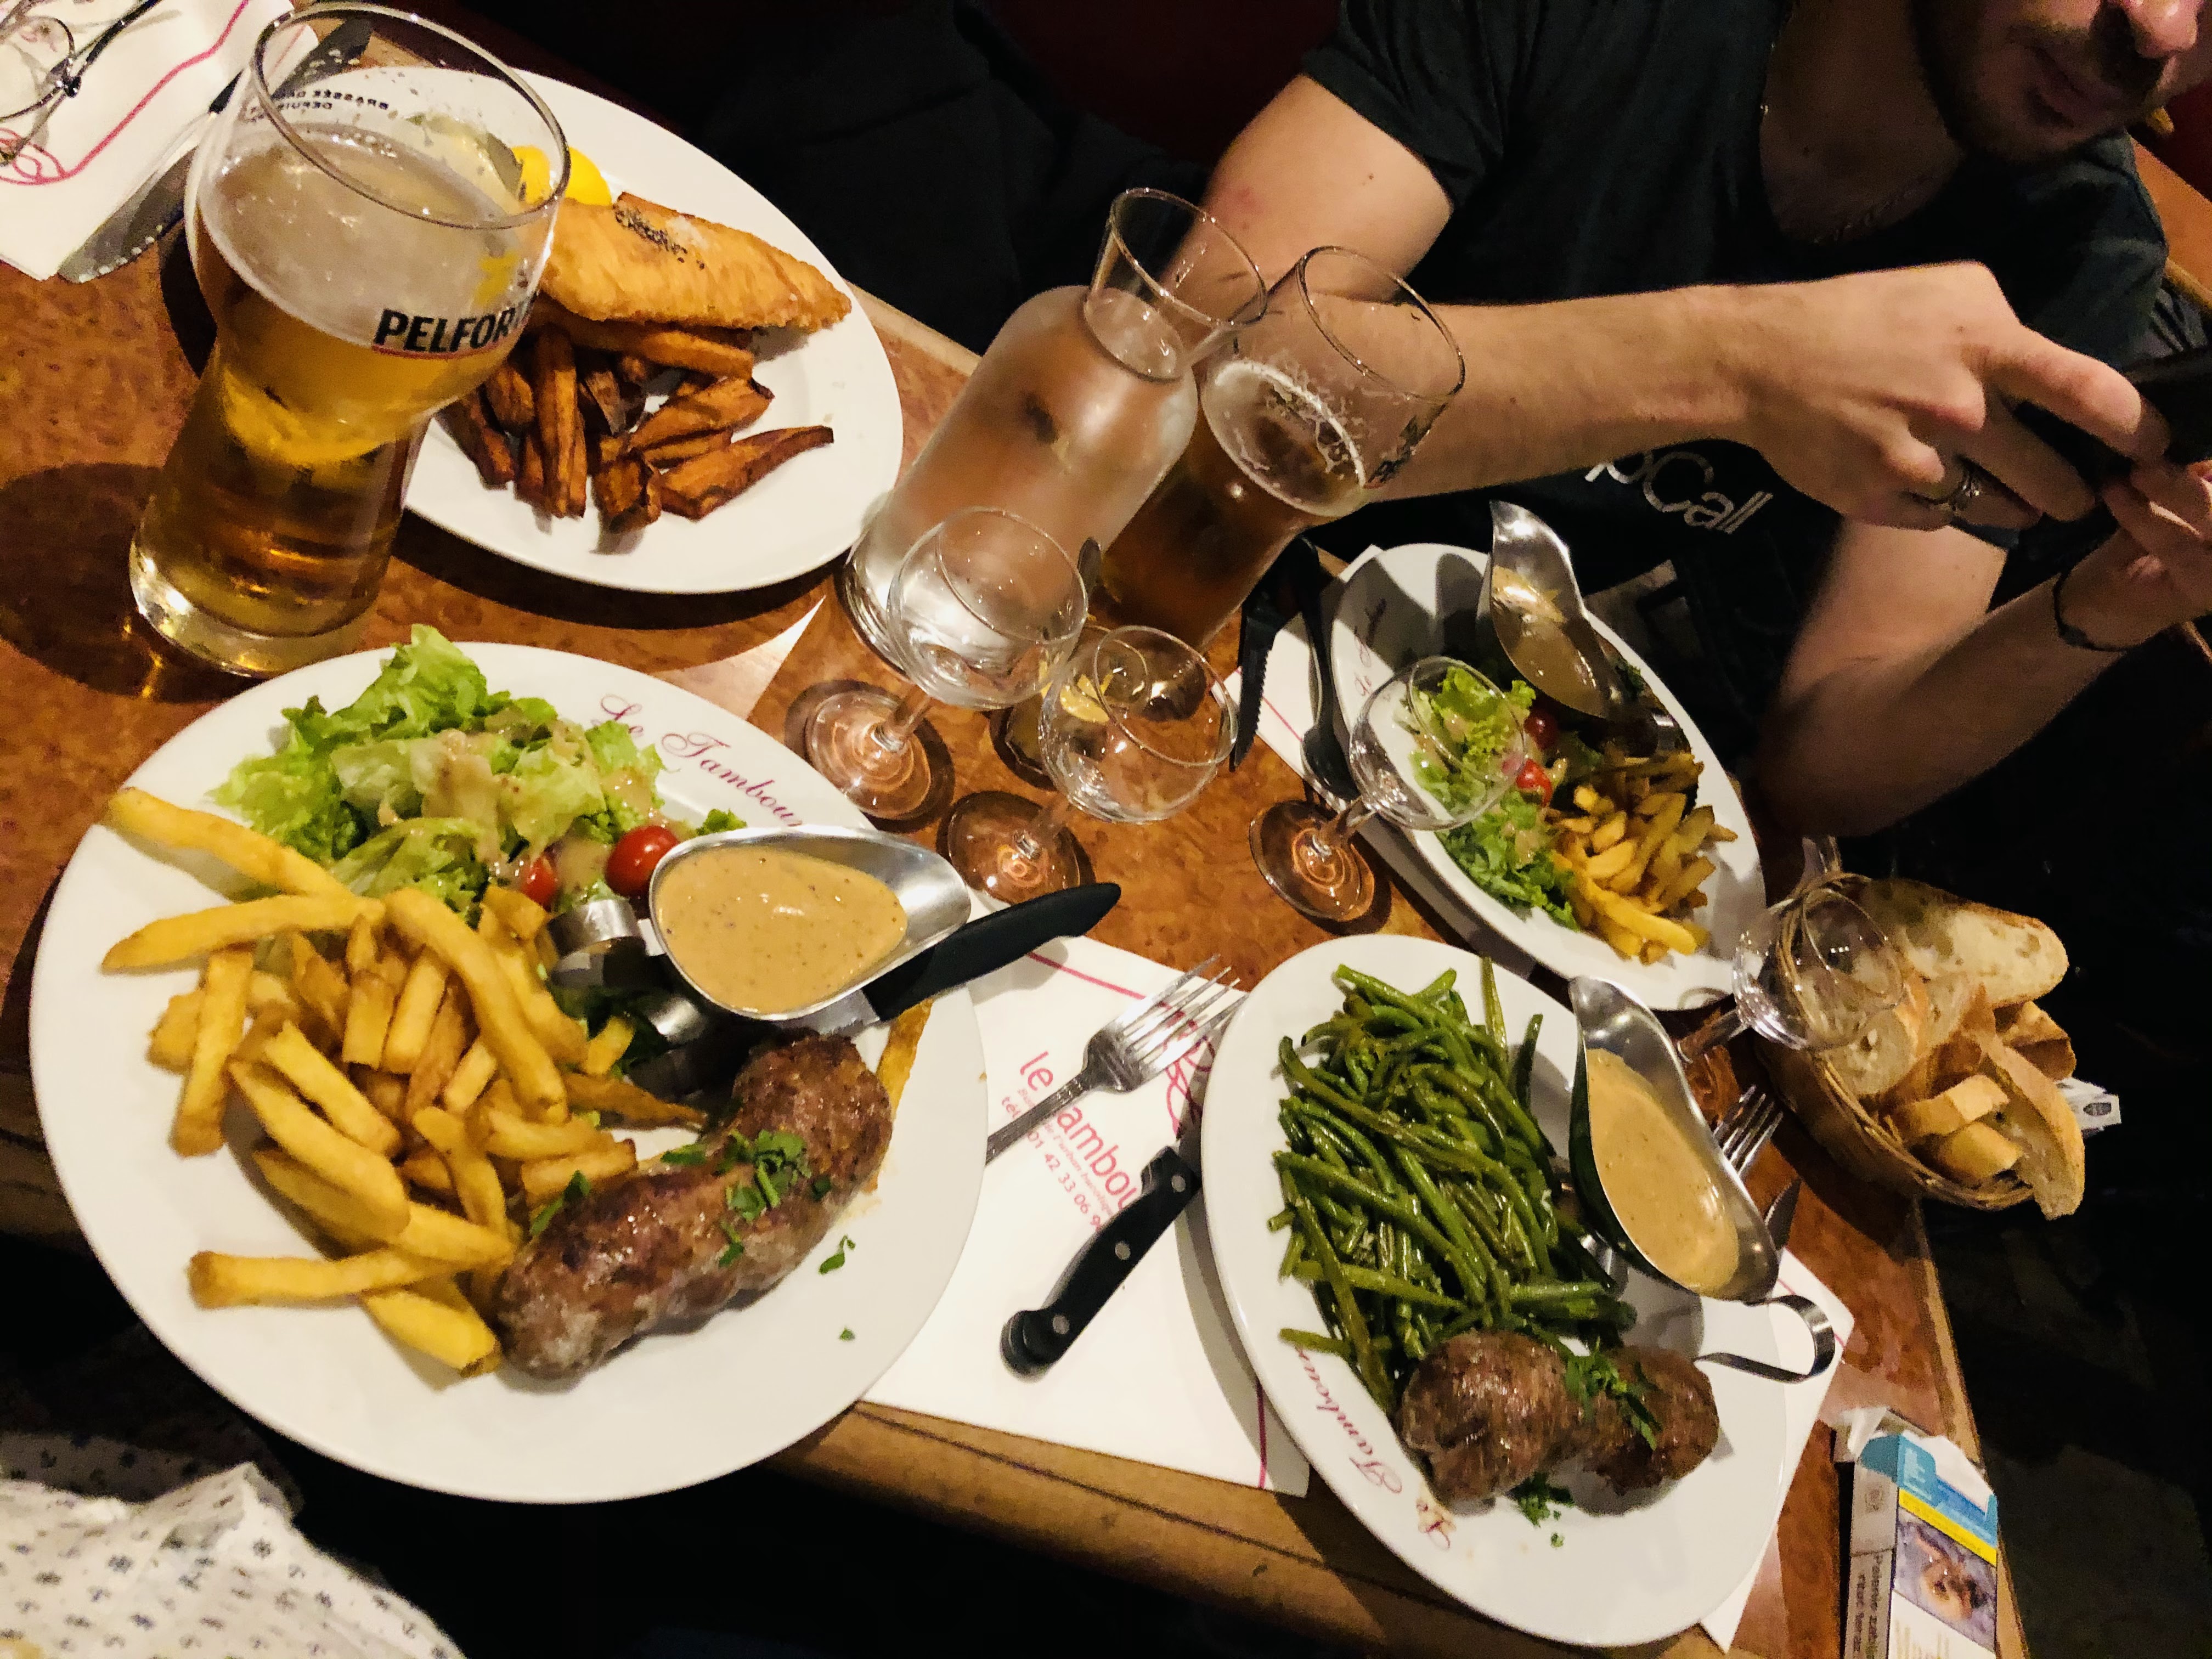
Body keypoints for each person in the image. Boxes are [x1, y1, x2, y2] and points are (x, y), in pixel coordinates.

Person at [1200, 0, 2212, 831]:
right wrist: (1737, 365)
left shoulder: (2078, 248)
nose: (2162, 29)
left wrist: (2120, 598)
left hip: (1435, 736)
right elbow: (1204, 358)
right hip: (1187, 590)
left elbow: (1820, 769)